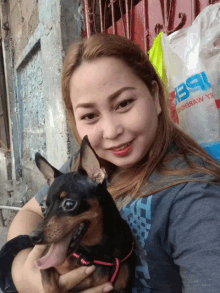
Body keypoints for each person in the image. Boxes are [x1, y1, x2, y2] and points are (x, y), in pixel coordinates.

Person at [5, 33, 220, 293]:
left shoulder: (194, 201)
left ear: (154, 95)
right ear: (75, 120)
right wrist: (23, 272)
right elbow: (30, 213)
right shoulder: (86, 163)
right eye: (90, 115)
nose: (111, 131)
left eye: (124, 103)